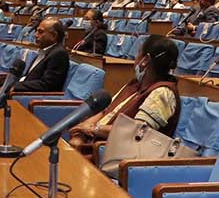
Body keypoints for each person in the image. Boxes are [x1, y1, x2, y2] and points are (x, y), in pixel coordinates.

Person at [68, 34, 180, 168]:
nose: (135, 59)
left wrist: (93, 129)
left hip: (118, 159)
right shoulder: (135, 84)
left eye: (138, 53)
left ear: (145, 60)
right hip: (97, 145)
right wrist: (81, 133)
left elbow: (135, 132)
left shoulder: (163, 93)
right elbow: (106, 112)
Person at [0, 18, 69, 94]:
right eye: (36, 31)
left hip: (32, 98)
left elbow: (47, 85)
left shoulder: (59, 54)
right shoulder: (45, 51)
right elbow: (27, 77)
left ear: (53, 35)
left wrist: (15, 87)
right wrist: (2, 81)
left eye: (40, 32)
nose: (35, 35)